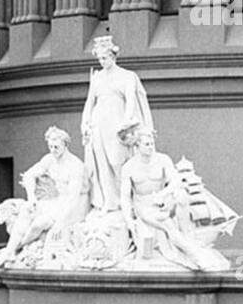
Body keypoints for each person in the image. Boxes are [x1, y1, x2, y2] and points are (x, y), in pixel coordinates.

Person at [119, 126, 232, 272]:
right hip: (144, 206)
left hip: (163, 200)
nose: (151, 147)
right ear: (137, 146)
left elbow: (176, 181)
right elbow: (125, 197)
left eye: (152, 143)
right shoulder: (129, 167)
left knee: (181, 196)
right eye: (147, 144)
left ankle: (188, 235)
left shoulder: (162, 160)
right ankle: (195, 255)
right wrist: (130, 221)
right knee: (167, 224)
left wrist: (164, 194)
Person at [0, 126, 89, 267]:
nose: (53, 150)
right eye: (50, 146)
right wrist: (32, 198)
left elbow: (73, 198)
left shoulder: (75, 166)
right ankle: (10, 252)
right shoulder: (49, 159)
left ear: (65, 145)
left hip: (75, 205)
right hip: (58, 201)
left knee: (39, 223)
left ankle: (13, 248)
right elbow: (30, 175)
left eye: (56, 147)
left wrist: (60, 223)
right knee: (26, 209)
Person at [81, 36, 153, 211]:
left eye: (104, 58)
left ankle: (128, 200)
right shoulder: (97, 78)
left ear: (113, 56)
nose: (101, 61)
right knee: (102, 163)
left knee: (117, 161)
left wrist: (127, 122)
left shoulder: (127, 76)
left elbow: (131, 101)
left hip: (116, 122)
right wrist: (85, 123)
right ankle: (110, 201)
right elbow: (90, 102)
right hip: (99, 123)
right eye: (99, 59)